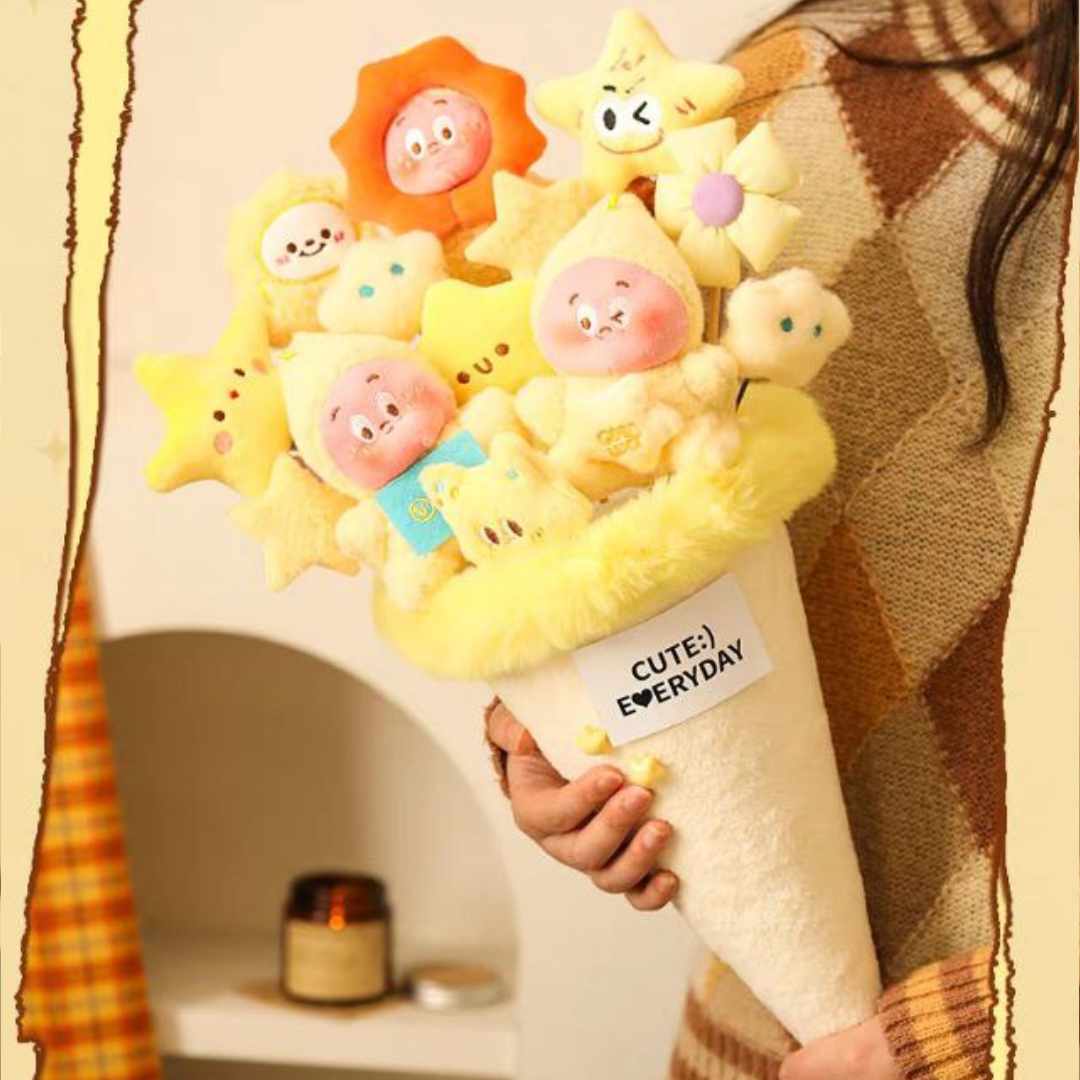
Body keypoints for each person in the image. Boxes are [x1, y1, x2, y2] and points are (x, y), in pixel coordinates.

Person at [484, 1, 1077, 1077]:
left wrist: (957, 1022)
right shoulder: (758, 116)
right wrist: (559, 741)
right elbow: (594, 500)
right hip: (771, 1032)